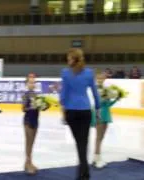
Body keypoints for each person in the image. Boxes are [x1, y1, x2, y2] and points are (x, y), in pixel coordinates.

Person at [60, 48, 100, 180]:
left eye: (69, 58)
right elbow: (95, 93)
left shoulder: (66, 73)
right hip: (85, 111)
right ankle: (84, 172)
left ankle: (83, 173)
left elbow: (63, 95)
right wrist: (98, 109)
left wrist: (63, 111)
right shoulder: (89, 73)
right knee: (83, 142)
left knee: (79, 142)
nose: (67, 60)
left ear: (74, 59)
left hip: (72, 112)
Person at [91, 73, 120, 168]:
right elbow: (98, 102)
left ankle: (96, 157)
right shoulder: (96, 89)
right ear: (96, 78)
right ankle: (97, 159)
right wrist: (106, 97)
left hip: (106, 113)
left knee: (101, 137)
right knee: (98, 137)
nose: (100, 79)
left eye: (102, 78)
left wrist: (116, 99)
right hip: (98, 113)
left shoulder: (106, 89)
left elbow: (108, 104)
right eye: (98, 78)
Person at [22, 75, 40, 175]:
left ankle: (28, 162)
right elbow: (23, 109)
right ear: (27, 84)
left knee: (32, 144)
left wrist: (43, 106)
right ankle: (28, 164)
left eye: (34, 82)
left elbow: (39, 107)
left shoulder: (37, 95)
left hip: (36, 120)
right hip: (28, 121)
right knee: (28, 143)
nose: (32, 84)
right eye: (30, 82)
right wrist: (32, 107)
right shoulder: (25, 95)